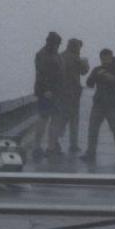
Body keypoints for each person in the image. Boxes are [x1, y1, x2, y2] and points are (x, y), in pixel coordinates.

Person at [81, 49, 115, 165]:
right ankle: (90, 154)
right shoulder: (97, 69)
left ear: (111, 58)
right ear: (100, 58)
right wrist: (96, 76)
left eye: (108, 58)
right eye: (103, 58)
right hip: (98, 105)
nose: (105, 60)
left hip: (112, 106)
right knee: (92, 130)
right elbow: (89, 84)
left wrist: (113, 79)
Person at [32, 31, 66, 159]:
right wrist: (46, 90)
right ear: (50, 42)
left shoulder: (55, 54)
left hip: (56, 92)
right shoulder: (42, 54)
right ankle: (37, 146)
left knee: (55, 119)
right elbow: (41, 74)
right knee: (44, 118)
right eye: (56, 43)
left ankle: (51, 146)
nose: (57, 46)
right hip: (47, 93)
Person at [60, 38, 90, 153]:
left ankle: (55, 141)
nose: (80, 49)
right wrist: (86, 62)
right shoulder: (76, 58)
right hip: (73, 93)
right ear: (76, 46)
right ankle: (73, 145)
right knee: (73, 119)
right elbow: (84, 71)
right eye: (79, 47)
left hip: (62, 92)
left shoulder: (61, 56)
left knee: (61, 117)